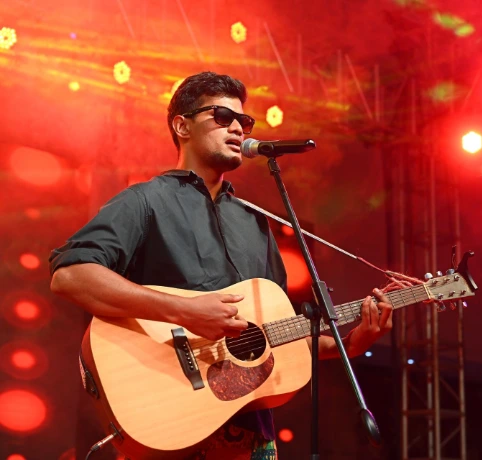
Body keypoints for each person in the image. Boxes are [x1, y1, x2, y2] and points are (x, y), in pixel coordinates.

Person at [49, 71, 393, 460]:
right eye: (222, 116)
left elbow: (279, 336)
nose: (237, 128)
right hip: (171, 424)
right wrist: (184, 311)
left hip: (250, 435)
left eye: (243, 121)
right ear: (182, 126)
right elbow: (71, 275)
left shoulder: (254, 222)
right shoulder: (144, 201)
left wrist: (351, 344)